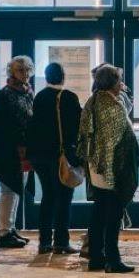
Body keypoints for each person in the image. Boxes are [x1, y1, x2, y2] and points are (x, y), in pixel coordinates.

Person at [77, 63, 138, 274]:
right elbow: (123, 137)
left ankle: (96, 257)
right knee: (113, 213)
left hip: (96, 166)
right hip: (111, 167)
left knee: (99, 211)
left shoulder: (93, 101)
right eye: (119, 80)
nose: (122, 84)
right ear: (112, 83)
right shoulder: (111, 106)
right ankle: (113, 259)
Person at [25, 61, 83, 255]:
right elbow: (77, 126)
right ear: (63, 76)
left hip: (40, 157)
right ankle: (61, 241)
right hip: (60, 156)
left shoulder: (39, 97)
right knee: (64, 198)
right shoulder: (68, 97)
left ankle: (44, 242)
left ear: (46, 77)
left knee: (47, 197)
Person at [0, 55, 35, 249]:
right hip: (7, 151)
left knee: (16, 190)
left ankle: (10, 229)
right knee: (8, 190)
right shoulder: (3, 95)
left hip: (23, 151)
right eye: (20, 70)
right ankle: (3, 233)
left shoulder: (28, 93)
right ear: (12, 72)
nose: (25, 74)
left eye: (27, 69)